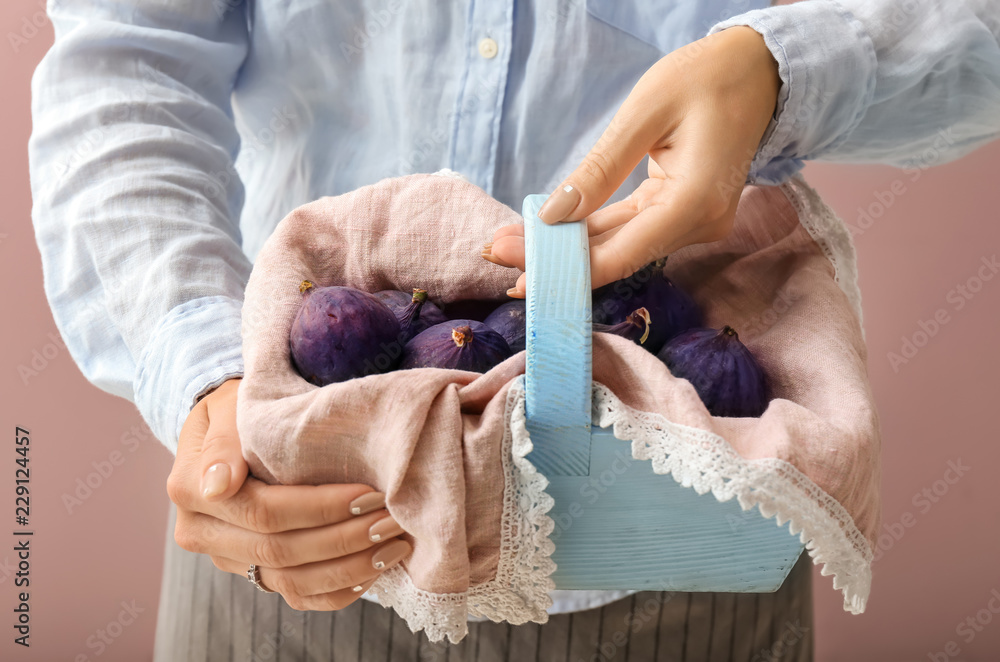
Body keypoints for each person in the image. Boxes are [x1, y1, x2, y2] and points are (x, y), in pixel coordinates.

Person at [28, 0, 1000, 659]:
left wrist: (781, 70)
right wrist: (208, 380)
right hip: (299, 532)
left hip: (684, 538)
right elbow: (125, 59)